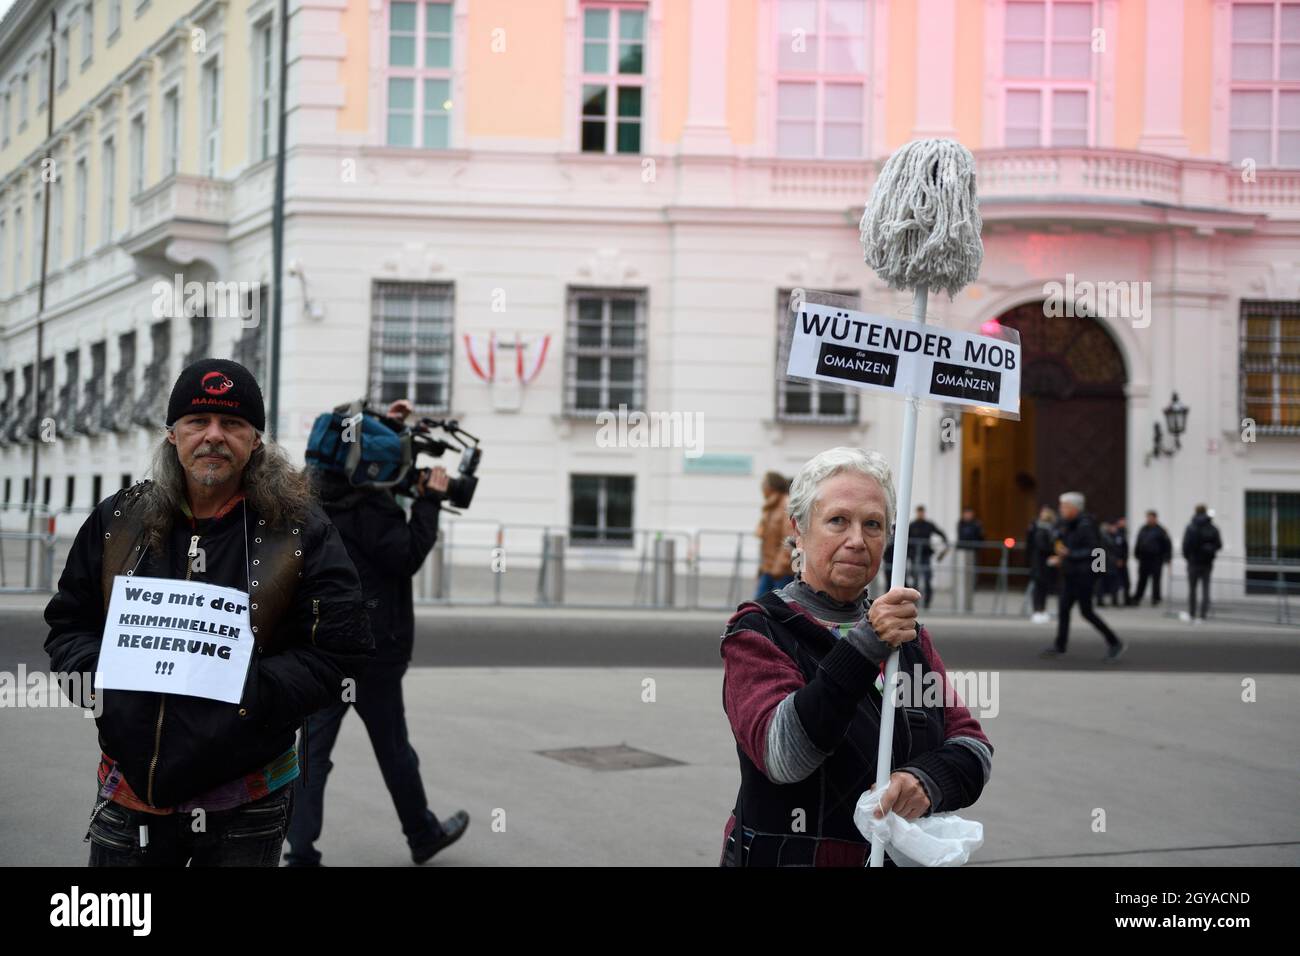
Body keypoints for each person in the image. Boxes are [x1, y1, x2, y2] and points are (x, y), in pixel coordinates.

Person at [45, 359, 373, 866]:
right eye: (197, 421)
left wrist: (250, 691)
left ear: (256, 441)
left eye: (233, 424)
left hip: (245, 801)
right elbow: (70, 625)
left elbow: (339, 652)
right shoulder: (118, 519)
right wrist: (102, 680)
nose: (213, 436)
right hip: (128, 793)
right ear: (172, 434)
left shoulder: (301, 530)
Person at [719, 447, 994, 867]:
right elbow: (785, 757)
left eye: (873, 524)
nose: (856, 540)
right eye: (837, 521)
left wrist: (926, 782)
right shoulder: (759, 630)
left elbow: (972, 746)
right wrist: (867, 644)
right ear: (799, 528)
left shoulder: (911, 639)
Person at [285, 399, 470, 866]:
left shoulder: (316, 492)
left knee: (311, 756)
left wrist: (389, 421)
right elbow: (406, 555)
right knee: (393, 749)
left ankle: (300, 852)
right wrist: (428, 500)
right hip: (375, 652)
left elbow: (350, 433)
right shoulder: (372, 507)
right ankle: (422, 834)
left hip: (323, 647)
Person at [1040, 492, 1125, 663]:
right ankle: (1060, 645)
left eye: (1064, 506)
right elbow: (1062, 541)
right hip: (1072, 573)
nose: (1061, 509)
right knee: (1064, 609)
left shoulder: (1086, 525)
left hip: (1085, 574)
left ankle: (1114, 642)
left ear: (1074, 508)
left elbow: (1095, 551)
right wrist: (1061, 554)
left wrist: (1070, 554)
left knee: (1086, 612)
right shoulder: (1068, 524)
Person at [755, 471, 794, 597]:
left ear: (771, 486)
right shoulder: (771, 506)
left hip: (782, 571)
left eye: (764, 483)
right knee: (759, 607)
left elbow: (791, 538)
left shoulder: (786, 504)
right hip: (769, 568)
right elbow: (762, 534)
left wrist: (781, 565)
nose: (761, 487)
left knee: (778, 608)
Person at [1182, 505, 1223, 622]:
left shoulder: (1191, 527)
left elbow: (1186, 545)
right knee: (1206, 589)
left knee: (1192, 590)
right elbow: (1219, 545)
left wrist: (1188, 558)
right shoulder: (1213, 528)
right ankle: (1203, 614)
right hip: (1207, 563)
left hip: (1193, 562)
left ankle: (1192, 614)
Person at [905, 505, 949, 609]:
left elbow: (940, 533)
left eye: (922, 512)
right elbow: (907, 540)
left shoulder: (928, 525)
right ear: (917, 513)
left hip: (925, 556)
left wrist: (945, 542)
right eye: (919, 512)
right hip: (914, 556)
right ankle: (914, 601)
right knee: (914, 580)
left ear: (924, 513)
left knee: (927, 579)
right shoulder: (913, 525)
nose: (921, 514)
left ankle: (927, 602)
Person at [1132, 510, 1172, 606]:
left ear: (1155, 518)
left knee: (1156, 579)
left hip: (1156, 558)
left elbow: (1167, 545)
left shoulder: (1161, 530)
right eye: (1148, 517)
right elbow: (1138, 542)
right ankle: (1138, 597)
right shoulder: (1143, 529)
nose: (1149, 519)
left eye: (1150, 517)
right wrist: (1136, 553)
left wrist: (1167, 557)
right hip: (1144, 558)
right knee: (1142, 579)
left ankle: (1155, 598)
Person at [1025, 506, 1057, 623]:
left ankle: (1042, 609)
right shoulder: (1037, 527)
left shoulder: (1051, 528)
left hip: (1046, 562)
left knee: (1043, 587)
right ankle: (1037, 610)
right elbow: (1039, 545)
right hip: (1039, 562)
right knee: (1038, 587)